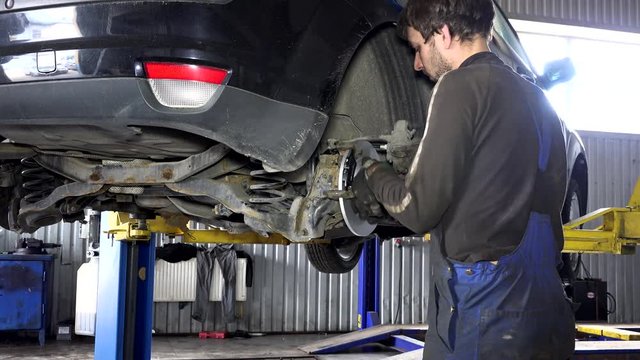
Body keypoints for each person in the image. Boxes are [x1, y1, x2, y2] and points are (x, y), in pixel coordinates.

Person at [351, 0, 576, 358]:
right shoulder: (539, 101)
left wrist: (372, 168)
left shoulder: (458, 86)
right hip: (549, 312)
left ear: (443, 34)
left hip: (485, 316)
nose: (417, 63)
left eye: (418, 47)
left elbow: (416, 209)